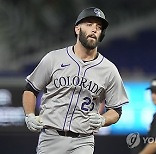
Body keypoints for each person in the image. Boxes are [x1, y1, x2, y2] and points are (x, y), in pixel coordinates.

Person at [22, 7, 129, 154]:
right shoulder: (54, 58)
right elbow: (31, 89)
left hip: (83, 141)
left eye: (98, 27)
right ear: (77, 29)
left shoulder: (109, 69)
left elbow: (116, 109)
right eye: (89, 24)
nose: (94, 30)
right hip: (51, 137)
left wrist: (103, 119)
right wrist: (29, 115)